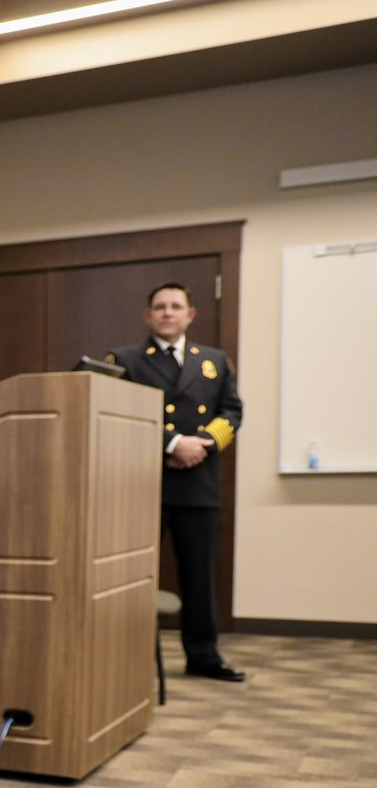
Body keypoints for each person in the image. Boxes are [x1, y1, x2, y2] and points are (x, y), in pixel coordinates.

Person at [106, 283, 244, 681]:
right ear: (148, 315)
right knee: (130, 573)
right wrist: (172, 442)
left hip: (199, 481)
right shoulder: (125, 359)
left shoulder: (215, 361)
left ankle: (204, 657)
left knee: (200, 577)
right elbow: (117, 411)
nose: (168, 313)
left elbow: (232, 411)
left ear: (190, 315)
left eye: (175, 306)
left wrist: (202, 444)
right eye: (160, 307)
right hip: (142, 483)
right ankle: (125, 657)